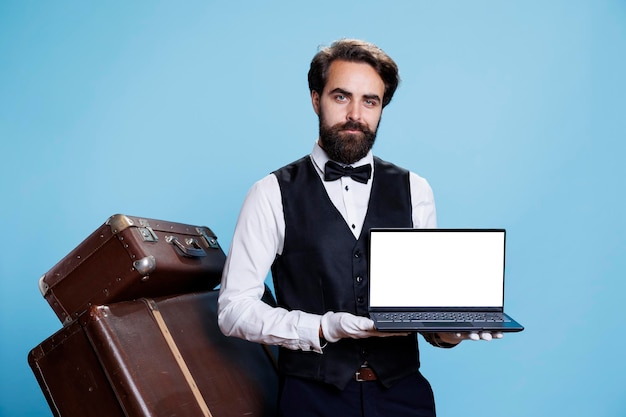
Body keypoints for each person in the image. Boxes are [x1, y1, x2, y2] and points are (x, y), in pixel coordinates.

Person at [217, 38, 501, 417]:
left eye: (370, 101)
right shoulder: (270, 193)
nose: (355, 113)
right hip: (311, 399)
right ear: (316, 99)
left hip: (404, 397)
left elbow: (427, 318)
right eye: (340, 97)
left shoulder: (415, 189)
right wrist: (324, 327)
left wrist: (454, 330)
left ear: (382, 109)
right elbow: (233, 310)